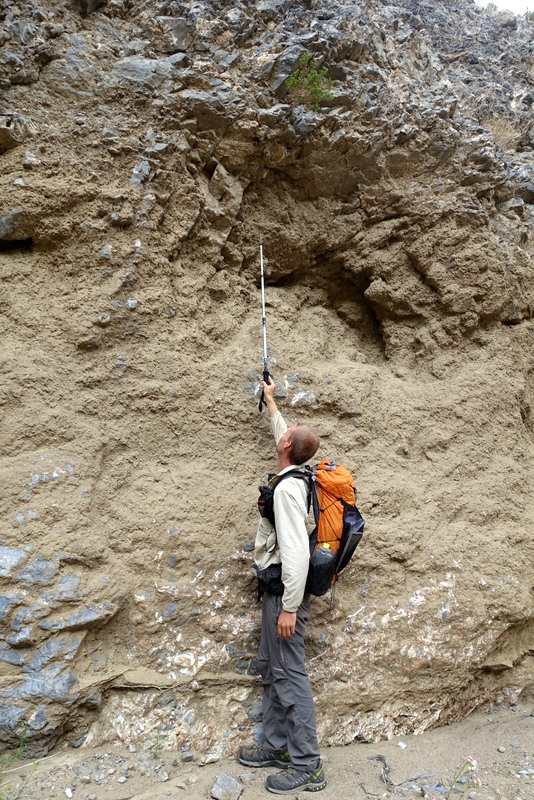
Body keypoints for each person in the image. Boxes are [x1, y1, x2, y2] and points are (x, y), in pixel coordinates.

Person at [238, 377, 326, 795]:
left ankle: (308, 764)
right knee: (274, 672)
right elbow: (284, 432)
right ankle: (276, 746)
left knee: (289, 673)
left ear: (288, 447)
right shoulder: (295, 472)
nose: (283, 432)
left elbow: (297, 554)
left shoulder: (288, 491)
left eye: (286, 434)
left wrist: (290, 607)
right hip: (275, 594)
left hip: (284, 597)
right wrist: (271, 403)